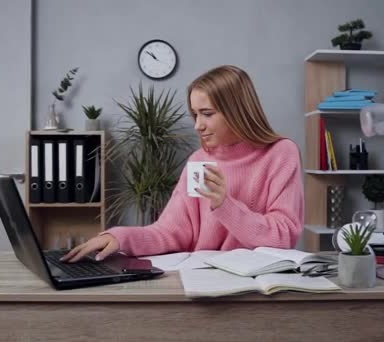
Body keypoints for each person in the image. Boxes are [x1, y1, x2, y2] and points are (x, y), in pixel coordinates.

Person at [62, 65, 304, 263]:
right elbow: (169, 232)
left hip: (258, 288)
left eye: (207, 113)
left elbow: (284, 236)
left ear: (237, 111)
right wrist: (119, 237)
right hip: (204, 283)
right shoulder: (199, 160)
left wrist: (225, 204)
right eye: (195, 114)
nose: (198, 125)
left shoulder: (281, 153)